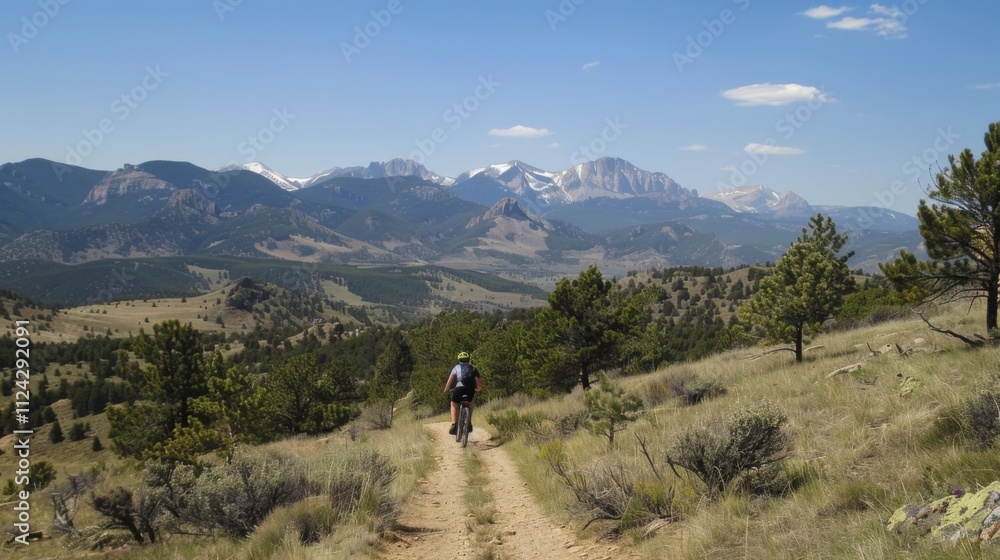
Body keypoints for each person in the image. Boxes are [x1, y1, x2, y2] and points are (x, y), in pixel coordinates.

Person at [444, 351, 483, 435]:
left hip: (459, 389)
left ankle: (454, 424)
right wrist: (479, 390)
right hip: (470, 390)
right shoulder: (473, 368)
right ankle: (468, 422)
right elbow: (479, 385)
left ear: (459, 360)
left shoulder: (456, 368)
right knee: (470, 403)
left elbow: (450, 381)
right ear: (468, 359)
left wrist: (446, 390)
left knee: (454, 403)